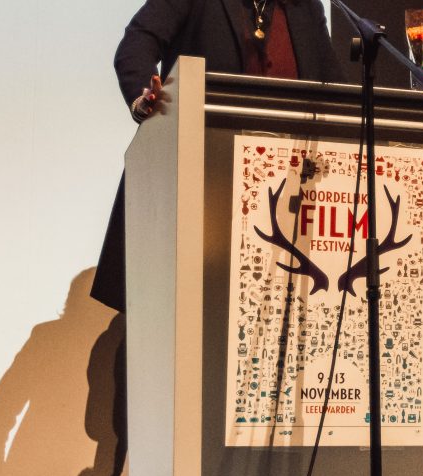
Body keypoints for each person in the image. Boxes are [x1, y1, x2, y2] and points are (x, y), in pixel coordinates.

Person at [92, 0, 346, 311]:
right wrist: (145, 97)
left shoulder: (304, 7)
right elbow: (137, 43)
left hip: (282, 203)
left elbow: (336, 89)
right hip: (201, 188)